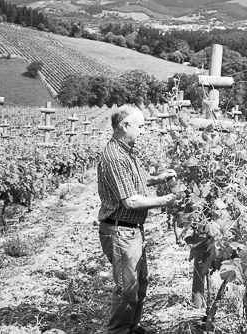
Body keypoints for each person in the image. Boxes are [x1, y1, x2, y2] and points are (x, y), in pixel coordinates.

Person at [97, 105, 178, 334]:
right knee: (127, 288)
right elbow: (130, 201)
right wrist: (168, 200)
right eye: (140, 126)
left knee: (139, 283)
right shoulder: (114, 157)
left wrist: (158, 178)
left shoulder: (126, 152)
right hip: (120, 231)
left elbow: (138, 181)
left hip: (131, 230)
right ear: (125, 126)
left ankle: (132, 326)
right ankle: (119, 331)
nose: (142, 132)